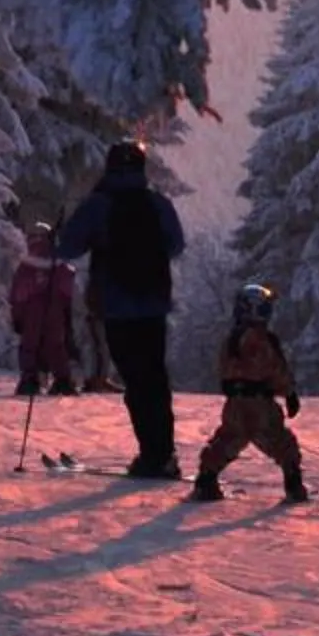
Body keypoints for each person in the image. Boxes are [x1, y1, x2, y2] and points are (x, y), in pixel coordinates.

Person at [56, 139, 187, 478]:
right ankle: (164, 453)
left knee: (135, 379)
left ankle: (150, 455)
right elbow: (175, 244)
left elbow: (68, 248)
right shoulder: (157, 204)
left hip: (115, 305)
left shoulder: (99, 205)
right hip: (154, 304)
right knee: (155, 378)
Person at [189, 282, 307, 503]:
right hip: (261, 404)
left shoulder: (232, 339)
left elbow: (224, 370)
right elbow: (276, 369)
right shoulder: (265, 340)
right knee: (280, 441)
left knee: (227, 440)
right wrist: (289, 393)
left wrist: (231, 387)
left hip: (236, 403)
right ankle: (293, 483)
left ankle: (206, 479)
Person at [8, 222, 79, 398]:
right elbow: (67, 289)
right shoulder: (58, 262)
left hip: (30, 310)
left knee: (29, 345)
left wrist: (17, 316)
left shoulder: (26, 265)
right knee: (56, 345)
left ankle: (30, 379)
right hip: (54, 309)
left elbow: (18, 292)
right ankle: (62, 379)